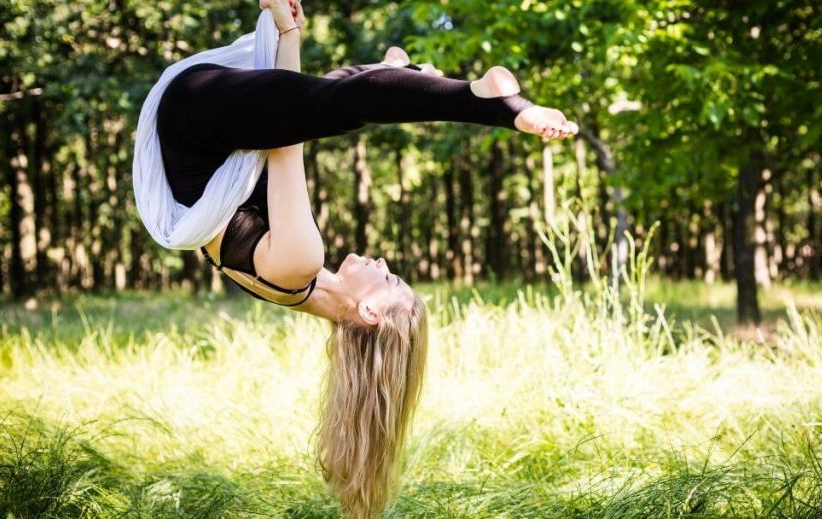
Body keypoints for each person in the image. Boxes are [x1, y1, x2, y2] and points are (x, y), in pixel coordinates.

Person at [151, 0, 577, 516]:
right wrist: (287, 37)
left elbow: (288, 136)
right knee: (328, 100)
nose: (382, 263)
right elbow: (284, 113)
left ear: (370, 313)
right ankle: (397, 76)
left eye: (389, 279)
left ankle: (486, 103)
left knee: (335, 105)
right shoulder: (299, 288)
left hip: (194, 117)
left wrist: (304, 58)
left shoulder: (300, 262)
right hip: (209, 121)